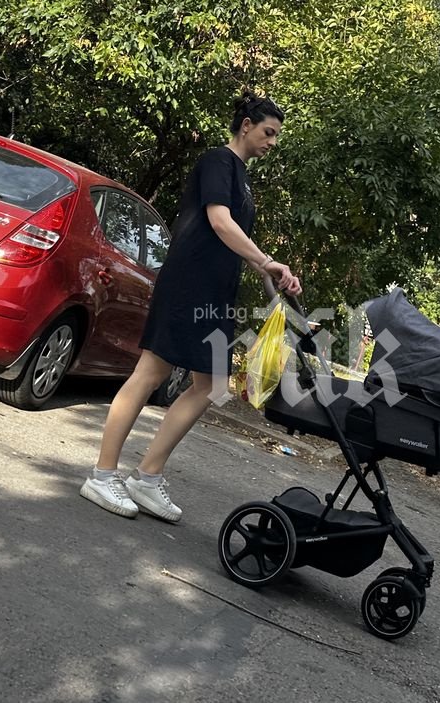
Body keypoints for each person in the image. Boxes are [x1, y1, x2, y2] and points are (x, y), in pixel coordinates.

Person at [80, 91, 301, 523]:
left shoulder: (241, 176)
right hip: (188, 286)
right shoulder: (219, 161)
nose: (272, 142)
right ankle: (102, 475)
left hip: (216, 293)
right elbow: (220, 222)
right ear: (246, 126)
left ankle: (145, 478)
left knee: (212, 384)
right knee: (150, 373)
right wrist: (264, 260)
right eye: (268, 133)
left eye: (275, 135)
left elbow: (234, 240)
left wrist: (269, 273)